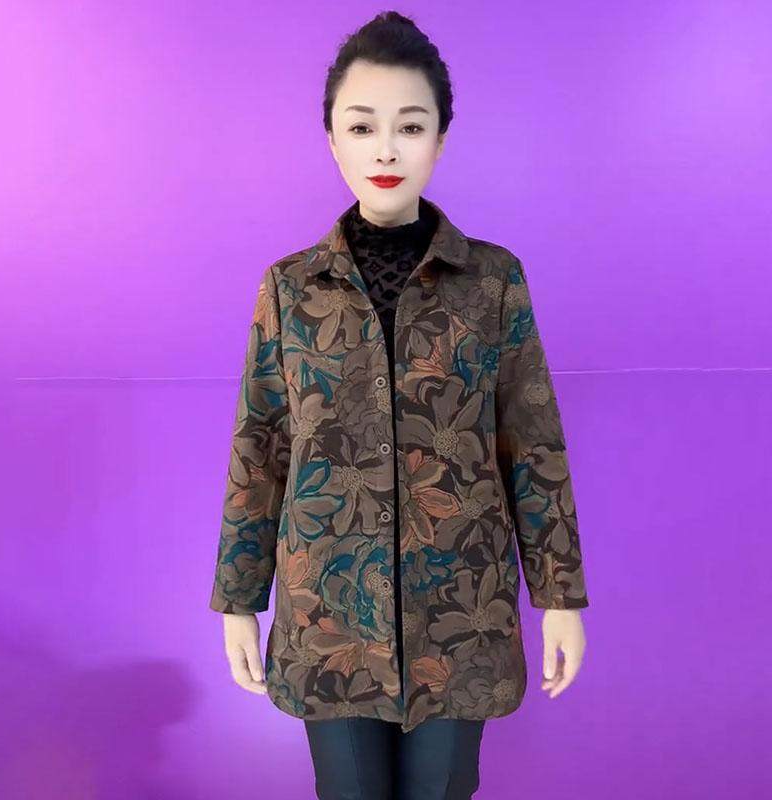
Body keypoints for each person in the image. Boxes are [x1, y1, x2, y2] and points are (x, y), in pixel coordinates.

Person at [210, 11, 589, 800]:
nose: (386, 149)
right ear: (333, 141)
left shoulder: (493, 281)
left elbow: (532, 441)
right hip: (328, 613)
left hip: (461, 609)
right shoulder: (290, 289)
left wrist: (559, 595)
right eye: (363, 126)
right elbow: (261, 446)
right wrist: (238, 600)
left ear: (440, 140)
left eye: (410, 126)